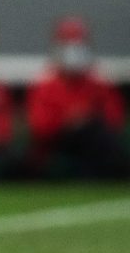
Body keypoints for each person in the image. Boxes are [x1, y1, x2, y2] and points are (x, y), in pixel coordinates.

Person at [25, 16, 127, 179]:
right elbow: (40, 127)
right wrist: (68, 121)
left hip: (93, 141)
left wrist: (87, 119)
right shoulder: (45, 83)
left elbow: (115, 119)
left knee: (98, 136)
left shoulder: (98, 82)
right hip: (59, 142)